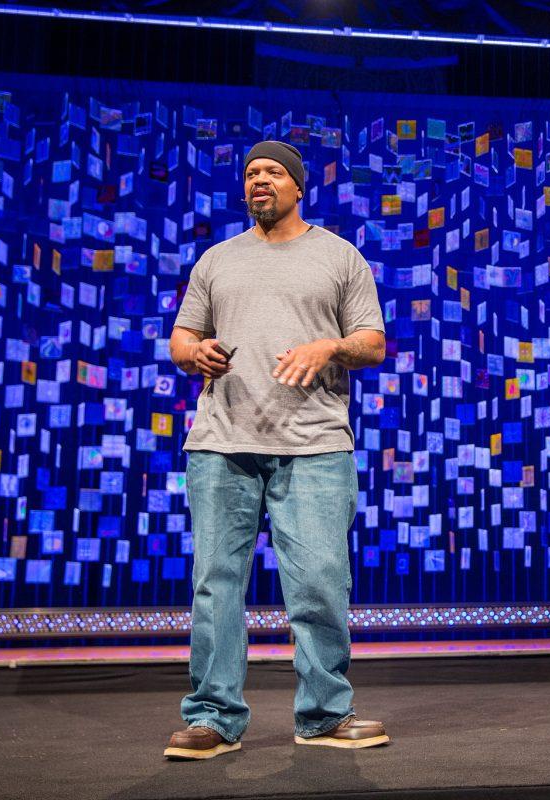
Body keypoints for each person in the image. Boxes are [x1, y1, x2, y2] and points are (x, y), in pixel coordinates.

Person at [163, 140, 388, 760]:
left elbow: (372, 342)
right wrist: (192, 353)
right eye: (251, 174)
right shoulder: (216, 259)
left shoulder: (339, 257)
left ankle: (324, 713)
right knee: (215, 584)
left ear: (297, 187)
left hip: (313, 444)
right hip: (221, 443)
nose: (259, 180)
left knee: (319, 582)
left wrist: (327, 347)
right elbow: (182, 338)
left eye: (271, 172)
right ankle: (212, 718)